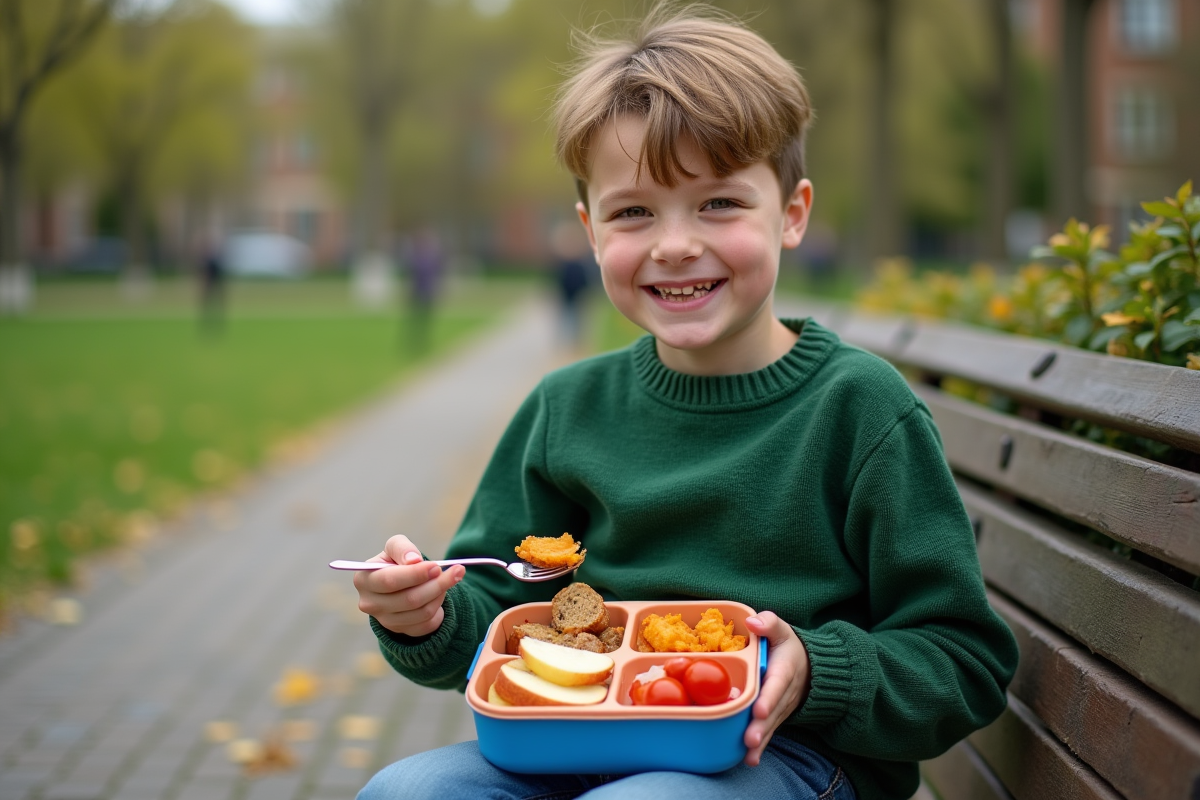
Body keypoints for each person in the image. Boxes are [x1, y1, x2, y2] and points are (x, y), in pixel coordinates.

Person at [351, 7, 1018, 800]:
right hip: (577, 738)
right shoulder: (568, 407)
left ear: (793, 213)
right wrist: (424, 617)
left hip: (790, 757)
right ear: (591, 232)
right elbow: (499, 610)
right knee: (405, 793)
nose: (674, 244)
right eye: (633, 212)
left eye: (719, 204)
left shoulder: (859, 409)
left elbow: (963, 662)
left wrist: (818, 671)